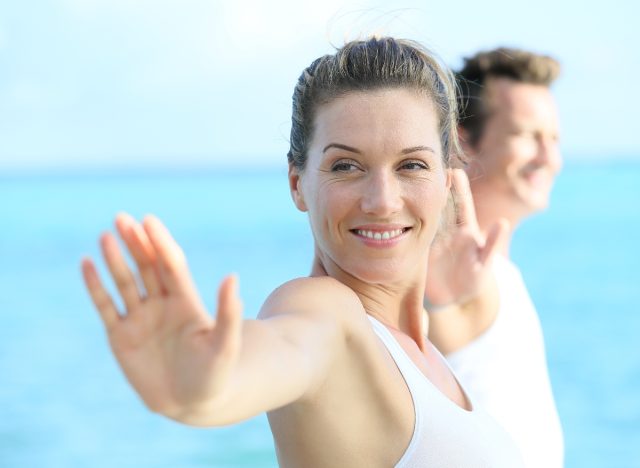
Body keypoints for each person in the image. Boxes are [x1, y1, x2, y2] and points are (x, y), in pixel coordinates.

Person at [81, 37, 524, 467]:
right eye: (346, 166)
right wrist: (204, 386)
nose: (383, 200)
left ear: (447, 180)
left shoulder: (423, 350)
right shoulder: (325, 312)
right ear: (298, 184)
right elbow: (284, 348)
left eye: (412, 165)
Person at [424, 47, 564, 468]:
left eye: (554, 139)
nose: (548, 157)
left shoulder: (503, 274)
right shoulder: (437, 272)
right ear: (463, 142)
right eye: (527, 135)